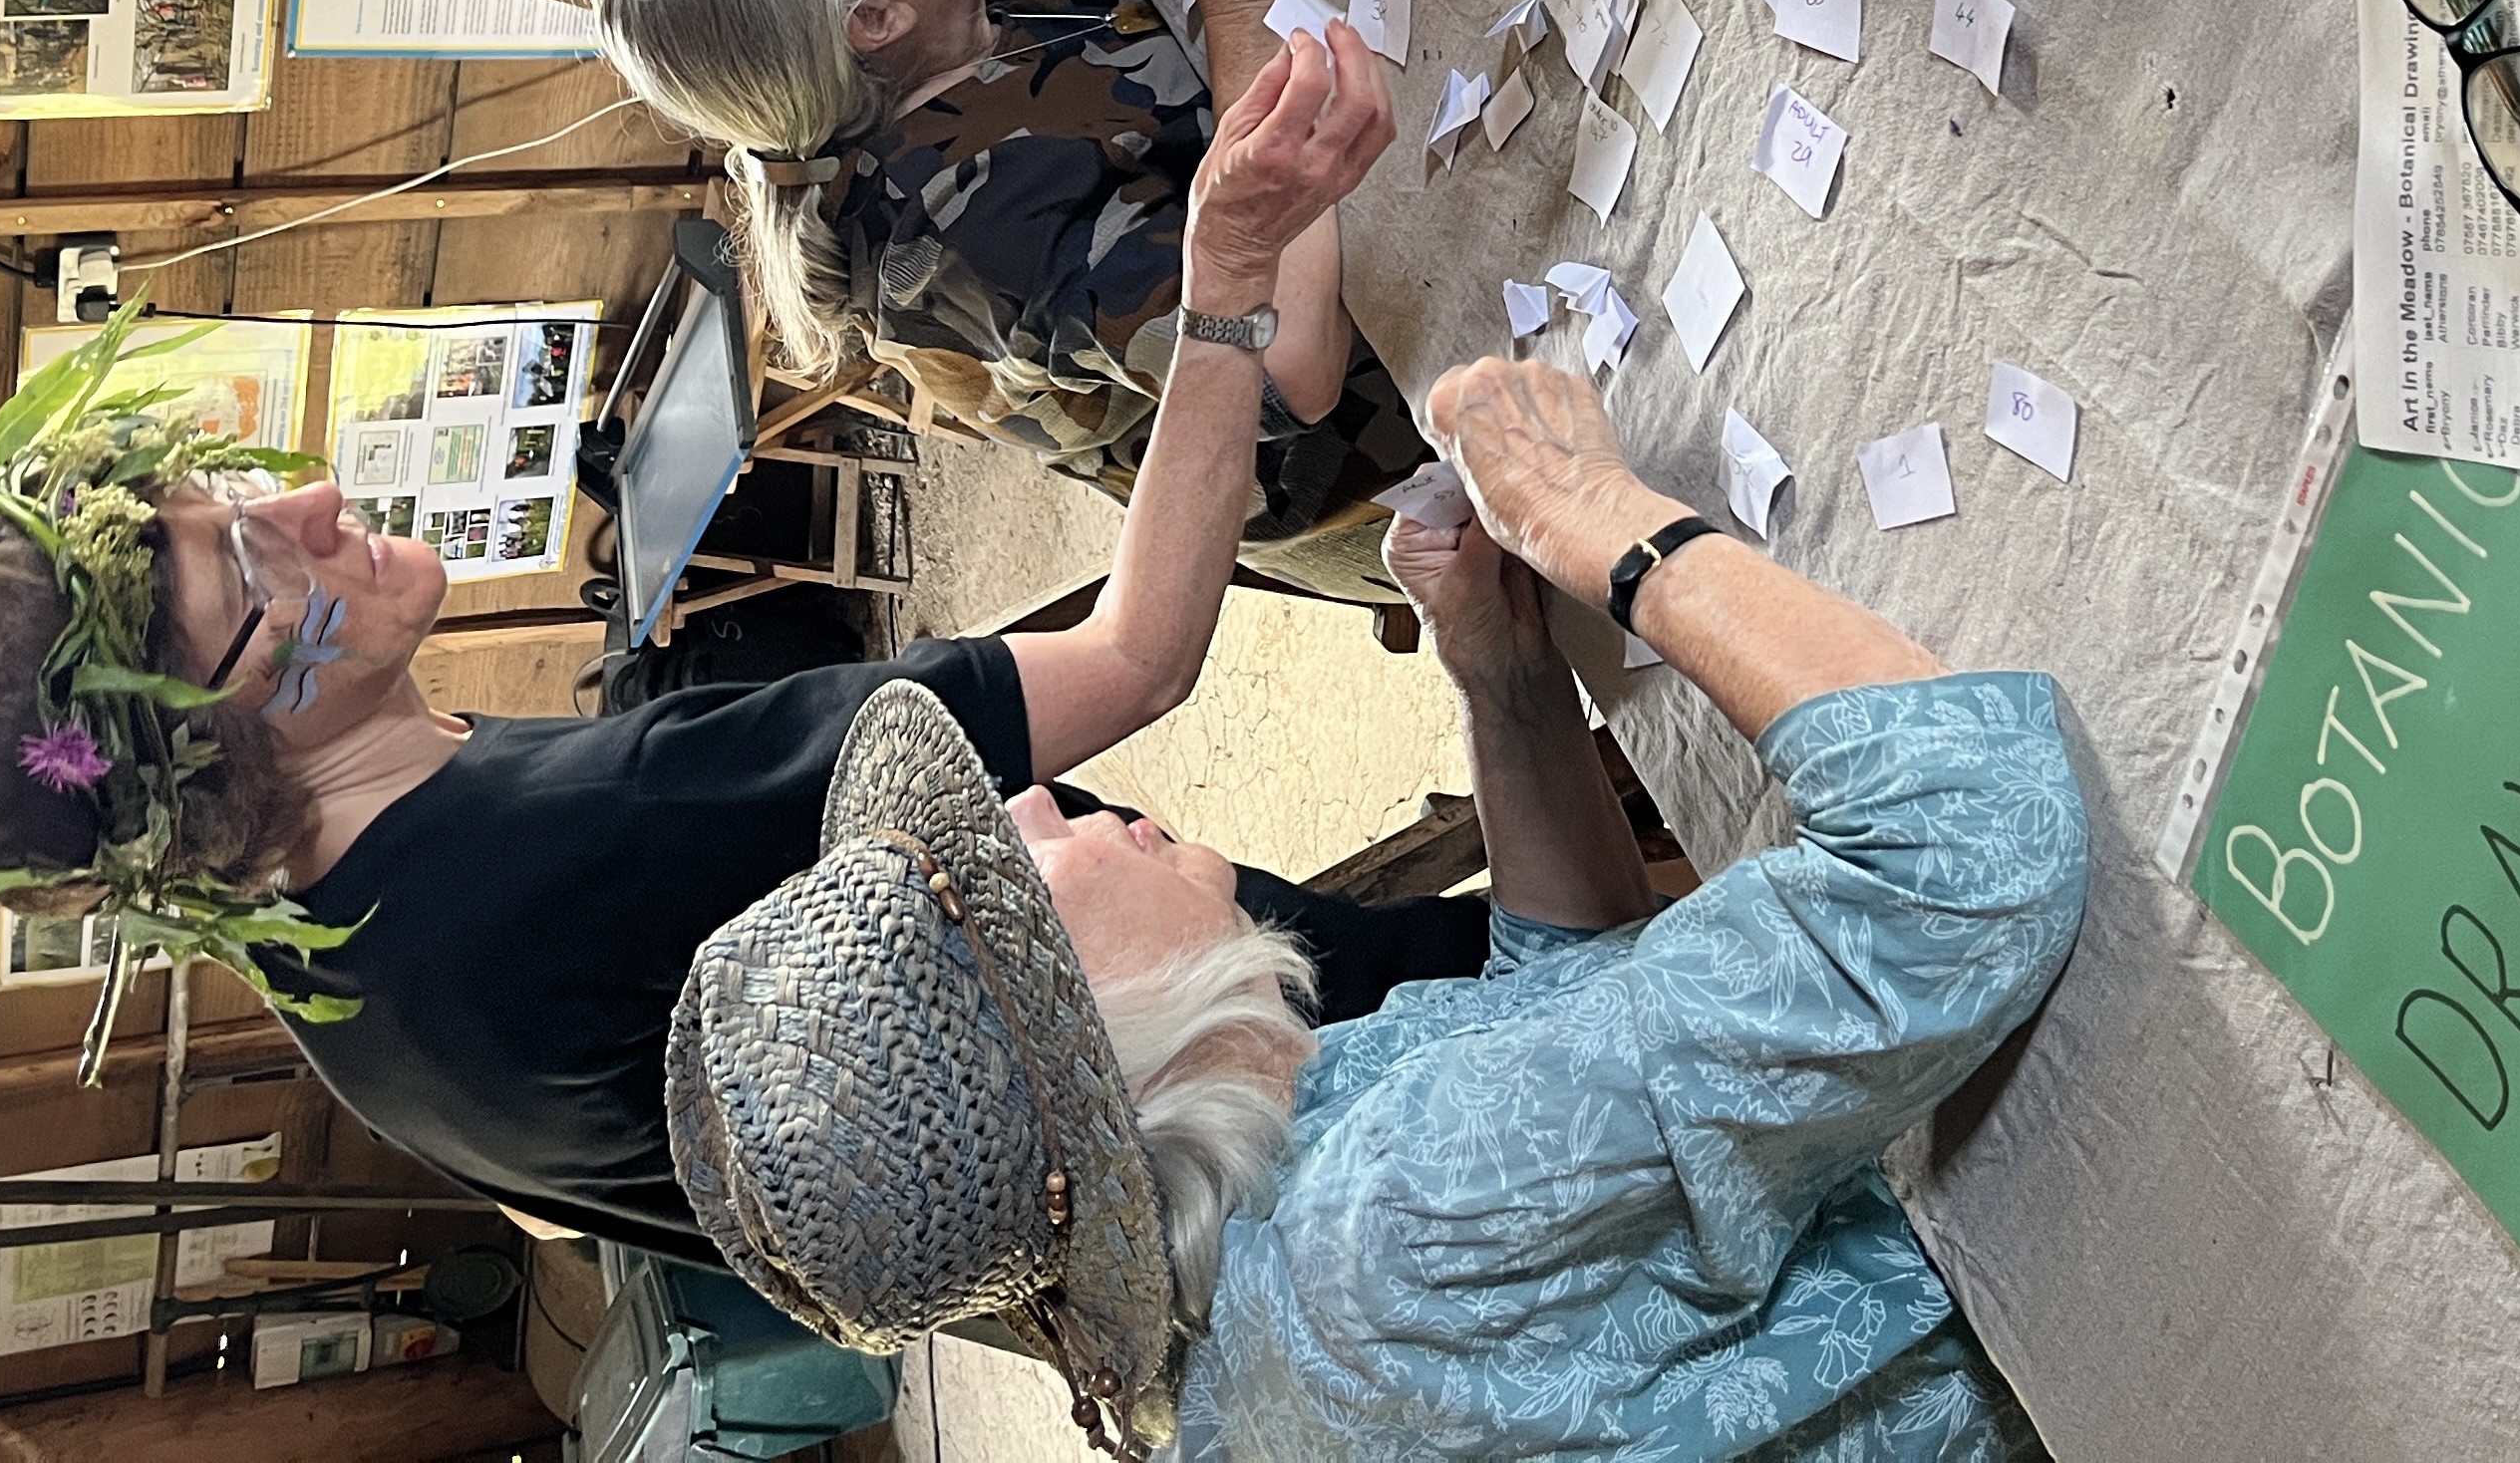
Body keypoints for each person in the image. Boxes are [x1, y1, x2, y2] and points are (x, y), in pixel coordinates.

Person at [0, 31, 1478, 1272]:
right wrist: (1226, 282)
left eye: (237, 491)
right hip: (1303, 1086)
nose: (310, 498)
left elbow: (565, 1206)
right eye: (249, 559)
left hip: (1142, 1233)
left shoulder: (326, 981)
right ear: (208, 748)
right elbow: (1138, 652)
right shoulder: (598, 827)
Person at [669, 356, 2092, 1456]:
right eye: (1010, 871)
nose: (1038, 804)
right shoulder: (1389, 1224)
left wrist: (1505, 678)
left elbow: (1567, 1002)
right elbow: (1970, 840)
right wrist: (1599, 520)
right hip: (2088, 1298)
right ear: (1086, 1050)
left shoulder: (1251, 1225)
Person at [589, 0, 1423, 593]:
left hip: (1325, 185)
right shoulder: (958, 238)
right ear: (874, 17)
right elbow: (1286, 362)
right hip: (1371, 440)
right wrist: (1243, 4)